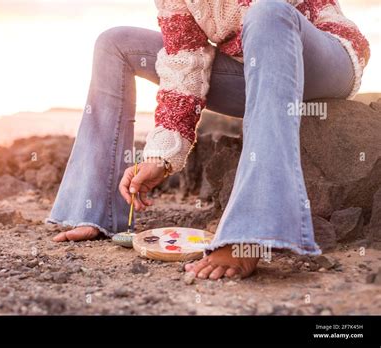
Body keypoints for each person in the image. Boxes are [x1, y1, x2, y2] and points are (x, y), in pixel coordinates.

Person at [48, 0, 370, 279]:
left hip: (322, 54)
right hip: (251, 69)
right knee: (114, 43)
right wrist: (160, 157)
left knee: (267, 14)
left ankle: (251, 231)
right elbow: (186, 62)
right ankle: (95, 210)